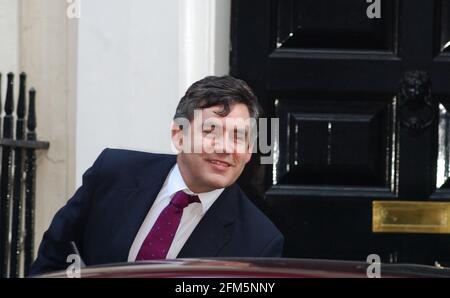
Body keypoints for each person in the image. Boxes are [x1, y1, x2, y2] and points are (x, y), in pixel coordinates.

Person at [30, 75, 284, 275]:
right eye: (211, 131)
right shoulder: (113, 173)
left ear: (250, 151)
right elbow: (56, 257)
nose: (225, 148)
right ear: (178, 135)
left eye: (239, 137)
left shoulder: (259, 240)